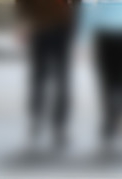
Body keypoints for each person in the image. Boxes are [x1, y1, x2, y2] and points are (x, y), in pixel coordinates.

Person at [78, 0, 122, 150]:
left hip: (104, 35)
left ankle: (110, 120)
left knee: (107, 81)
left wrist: (82, 38)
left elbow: (87, 8)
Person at [16, 0, 76, 150]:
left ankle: (58, 125)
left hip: (60, 28)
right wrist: (23, 23)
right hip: (41, 28)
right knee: (41, 78)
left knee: (58, 78)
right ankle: (38, 119)